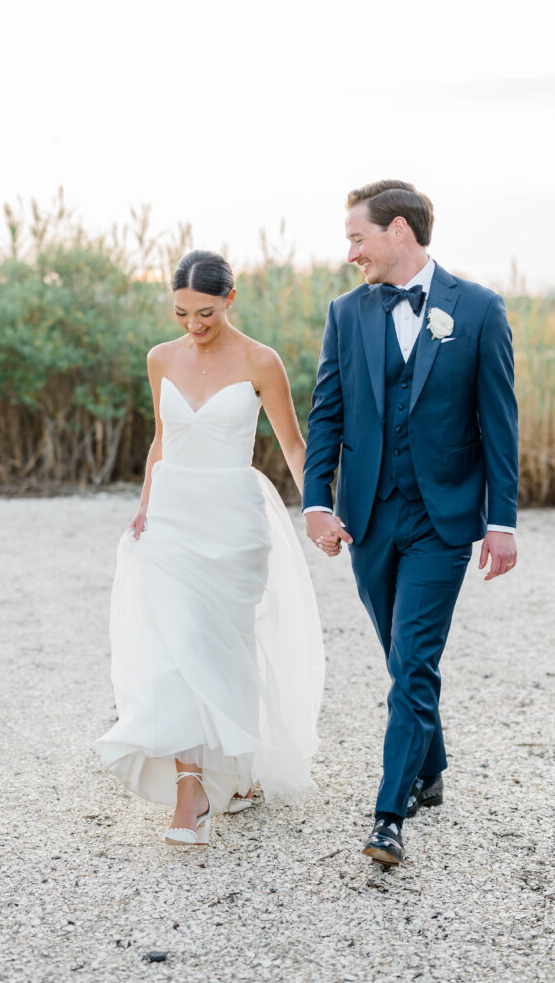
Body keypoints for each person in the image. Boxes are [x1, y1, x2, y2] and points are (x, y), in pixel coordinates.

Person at [302, 180, 518, 866]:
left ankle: (388, 815)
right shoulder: (345, 313)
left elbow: (498, 424)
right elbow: (326, 414)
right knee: (403, 660)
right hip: (367, 514)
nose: (349, 253)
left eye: (355, 238)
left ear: (398, 231)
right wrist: (316, 503)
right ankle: (431, 767)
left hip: (443, 517)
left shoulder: (477, 309)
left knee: (414, 660)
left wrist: (501, 521)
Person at [96, 250, 328, 847]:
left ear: (230, 299)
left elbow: (294, 446)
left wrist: (322, 511)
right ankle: (189, 790)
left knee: (225, 648)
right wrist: (145, 505)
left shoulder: (260, 361)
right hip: (171, 518)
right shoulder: (161, 358)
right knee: (173, 648)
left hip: (231, 522)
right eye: (180, 312)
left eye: (204, 312)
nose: (192, 326)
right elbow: (162, 439)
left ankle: (239, 773)